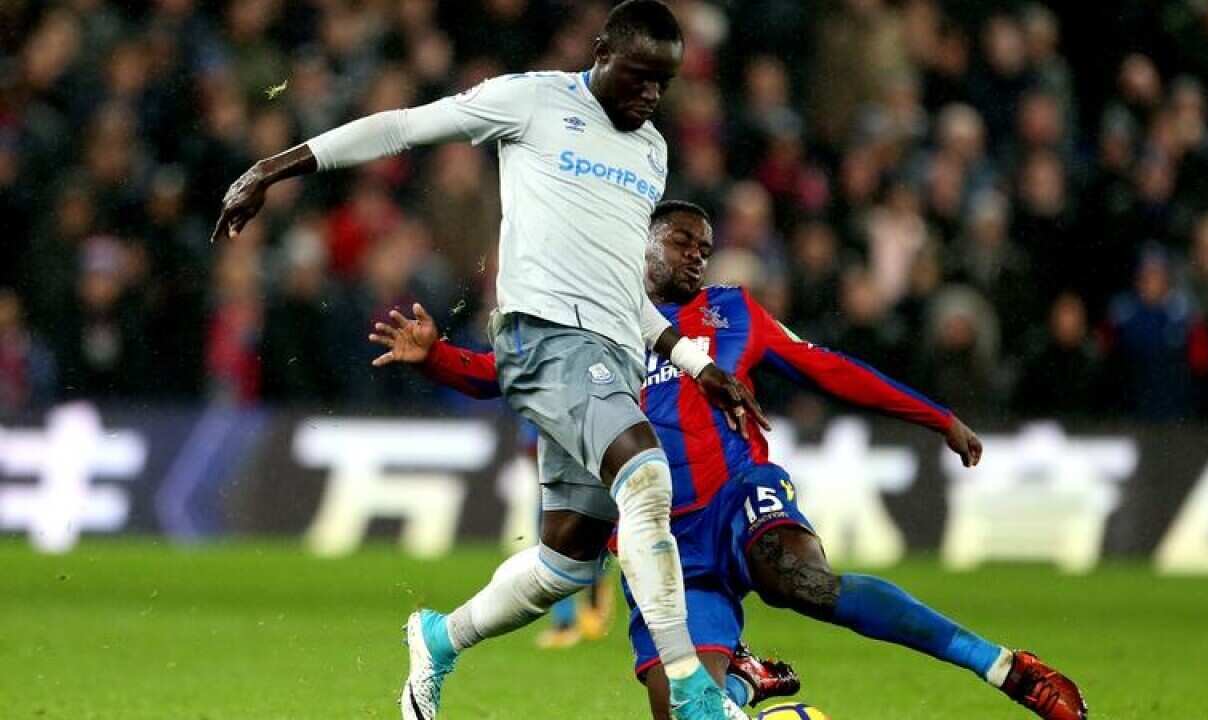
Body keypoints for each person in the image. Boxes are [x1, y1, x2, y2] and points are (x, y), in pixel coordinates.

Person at [214, 3, 766, 719]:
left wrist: (695, 362)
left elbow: (621, 291)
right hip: (546, 340)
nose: (650, 95)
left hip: (611, 361)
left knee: (567, 562)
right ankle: (692, 690)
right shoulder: (532, 99)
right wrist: (273, 167)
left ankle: (438, 639)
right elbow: (403, 126)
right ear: (601, 51)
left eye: (663, 82)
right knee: (647, 475)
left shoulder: (651, 151)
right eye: (639, 76)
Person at [373, 200, 1089, 720]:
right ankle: (743, 682)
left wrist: (938, 418)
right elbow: (502, 374)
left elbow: (830, 368)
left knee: (801, 581)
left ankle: (1005, 669)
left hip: (737, 495)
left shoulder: (734, 312)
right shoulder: (589, 320)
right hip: (656, 541)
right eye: (683, 241)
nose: (697, 255)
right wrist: (435, 357)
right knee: (688, 711)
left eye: (705, 247)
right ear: (640, 245)